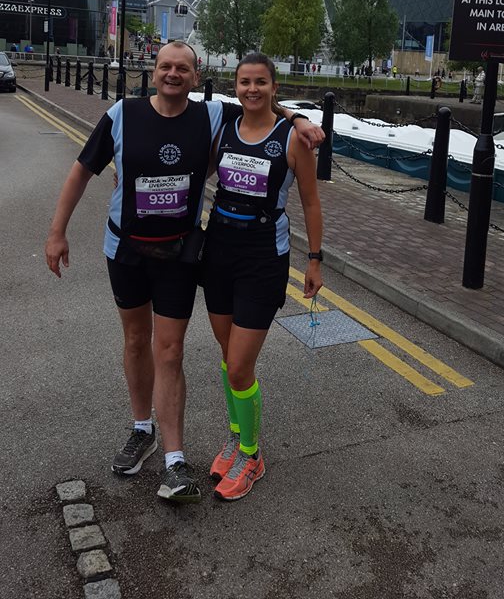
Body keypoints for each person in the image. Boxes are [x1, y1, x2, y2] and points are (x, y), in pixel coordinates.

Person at [45, 41, 322, 505]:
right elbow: (80, 172)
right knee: (137, 341)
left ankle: (179, 461)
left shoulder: (212, 116)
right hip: (129, 248)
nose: (173, 74)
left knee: (174, 350)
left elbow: (262, 106)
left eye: (183, 68)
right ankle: (143, 430)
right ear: (152, 71)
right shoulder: (121, 114)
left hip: (182, 254)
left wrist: (298, 119)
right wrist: (57, 232)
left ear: (197, 77)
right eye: (165, 66)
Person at [201, 53, 324, 502]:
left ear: (275, 86)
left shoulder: (292, 138)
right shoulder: (224, 131)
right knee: (226, 354)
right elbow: (200, 175)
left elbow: (310, 202)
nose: (252, 89)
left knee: (239, 365)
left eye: (260, 82)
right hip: (218, 251)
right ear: (235, 87)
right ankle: (236, 438)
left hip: (262, 257)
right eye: (244, 82)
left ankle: (251, 456)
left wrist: (314, 259)